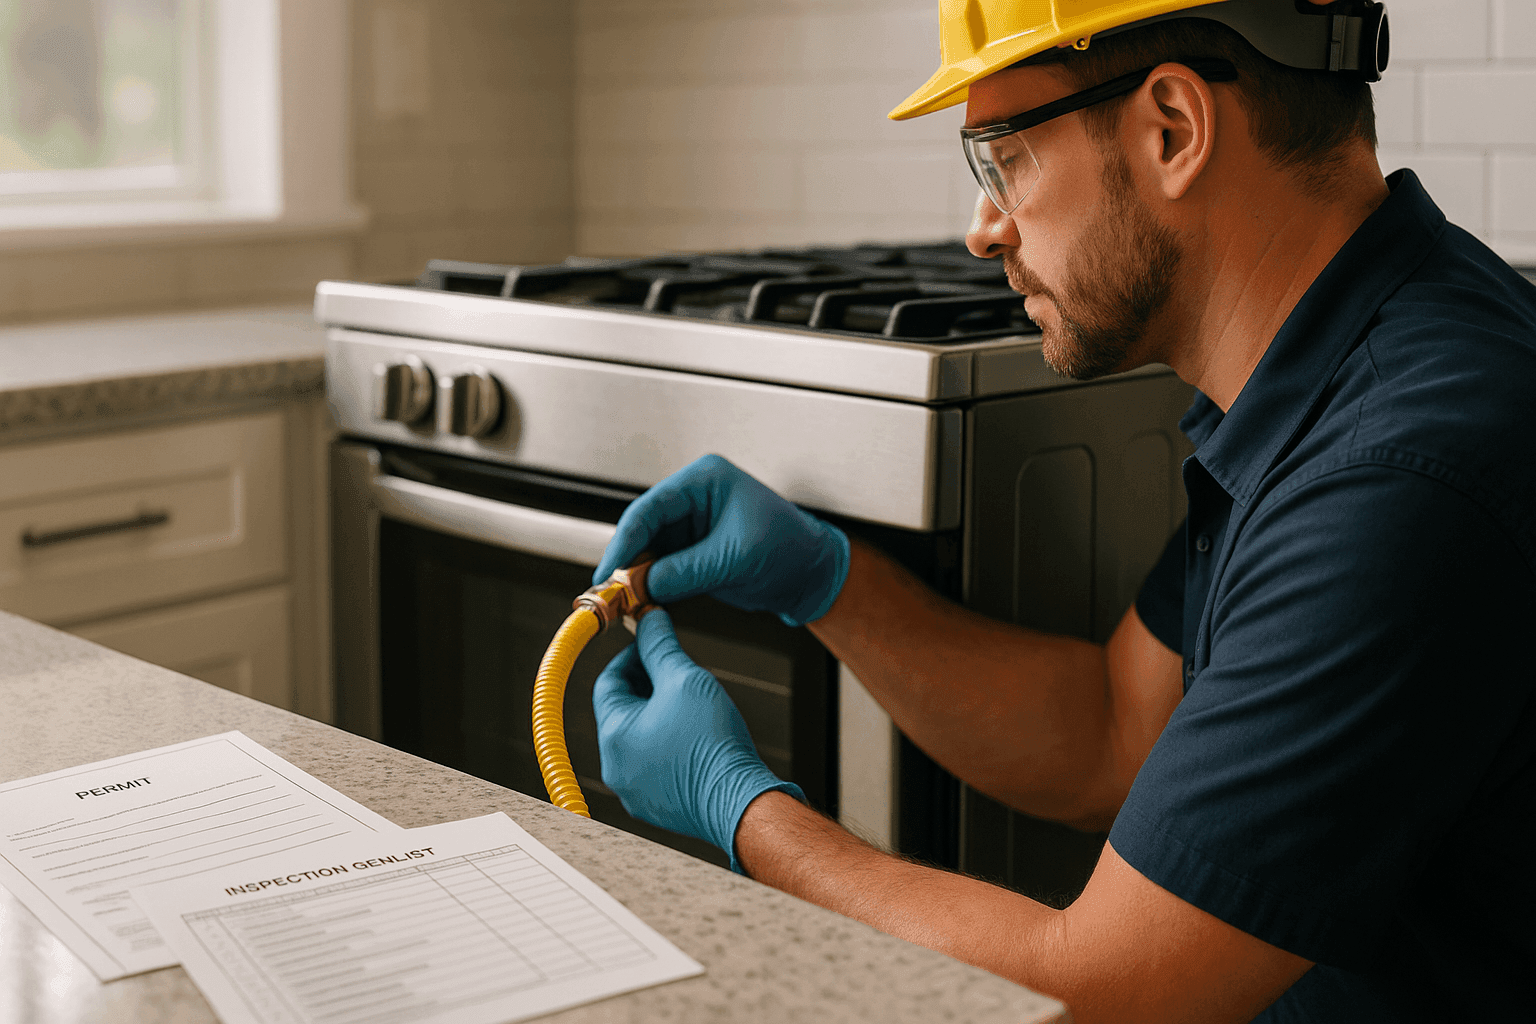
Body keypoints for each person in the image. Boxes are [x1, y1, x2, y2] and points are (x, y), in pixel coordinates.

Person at [587, 1, 1536, 1021]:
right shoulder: (1338, 372)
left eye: (1005, 159)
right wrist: (828, 583)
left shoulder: (1398, 470)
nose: (983, 227)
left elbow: (1100, 996)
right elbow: (1116, 733)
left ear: (1172, 127)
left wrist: (742, 813)